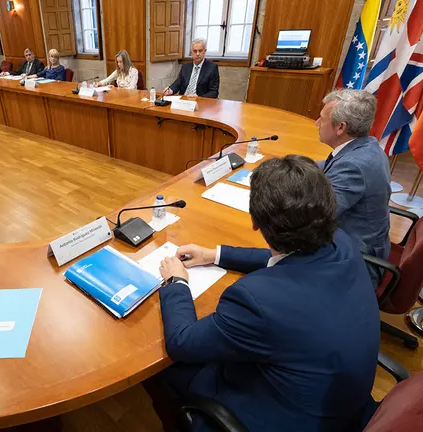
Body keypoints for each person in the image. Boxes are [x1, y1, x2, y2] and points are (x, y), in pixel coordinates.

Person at [149, 155, 380, 432]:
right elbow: (290, 258)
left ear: (256, 222)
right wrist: (215, 255)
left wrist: (176, 282)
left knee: (160, 368)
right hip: (340, 405)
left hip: (286, 418)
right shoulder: (341, 244)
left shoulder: (255, 301)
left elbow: (182, 342)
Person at [316, 89, 391, 287]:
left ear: (340, 127)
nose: (317, 123)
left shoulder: (354, 166)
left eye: (322, 119)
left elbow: (316, 215)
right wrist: (289, 165)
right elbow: (328, 165)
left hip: (356, 262)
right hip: (363, 241)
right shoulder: (366, 146)